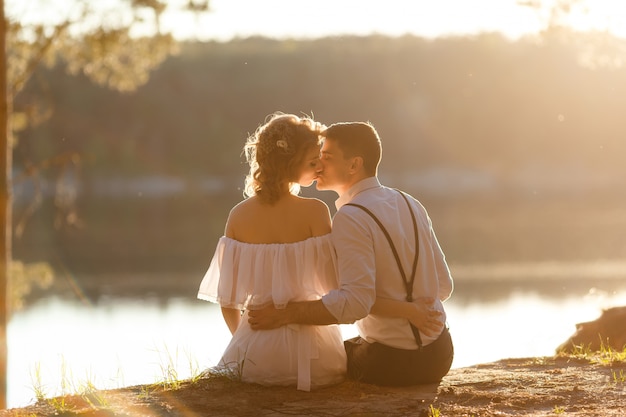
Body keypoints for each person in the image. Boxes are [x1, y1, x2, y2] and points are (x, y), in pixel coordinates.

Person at [248, 121, 454, 386]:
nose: (318, 165)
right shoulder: (410, 202)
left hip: (390, 363)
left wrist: (282, 314)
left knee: (314, 361)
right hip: (441, 354)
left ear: (354, 165)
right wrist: (411, 309)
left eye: (327, 157)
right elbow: (444, 286)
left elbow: (356, 303)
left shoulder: (350, 216)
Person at [197, 112, 346, 391]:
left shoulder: (238, 215)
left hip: (256, 354)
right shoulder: (316, 212)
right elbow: (334, 287)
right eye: (313, 162)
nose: (319, 169)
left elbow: (228, 301)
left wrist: (245, 343)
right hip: (316, 357)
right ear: (289, 164)